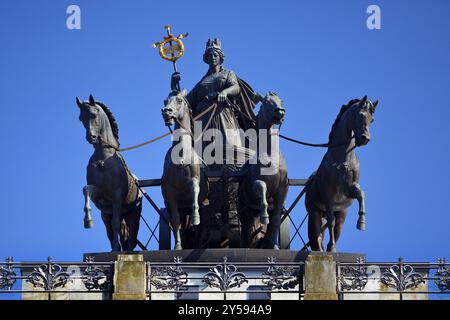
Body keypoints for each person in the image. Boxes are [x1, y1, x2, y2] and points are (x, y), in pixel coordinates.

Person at [171, 38, 260, 168]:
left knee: (228, 145)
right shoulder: (203, 81)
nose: (212, 57)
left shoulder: (228, 73)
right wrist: (174, 85)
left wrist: (225, 92)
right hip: (204, 119)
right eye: (209, 55)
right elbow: (186, 101)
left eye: (215, 55)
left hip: (223, 114)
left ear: (220, 57)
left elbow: (236, 88)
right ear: (206, 59)